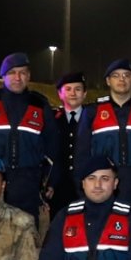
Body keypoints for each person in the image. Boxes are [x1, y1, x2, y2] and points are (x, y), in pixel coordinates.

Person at [0, 52, 59, 223]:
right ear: (3, 76)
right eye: (12, 73)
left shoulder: (39, 104)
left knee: (26, 235)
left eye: (22, 72)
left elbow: (52, 145)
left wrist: (50, 180)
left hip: (28, 182)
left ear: (28, 76)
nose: (18, 77)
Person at [77, 59, 131, 209]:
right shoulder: (92, 112)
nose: (122, 79)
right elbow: (82, 152)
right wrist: (82, 187)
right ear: (108, 81)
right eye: (116, 76)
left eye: (126, 75)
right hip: (103, 183)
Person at [49, 71, 87, 213]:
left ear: (84, 94)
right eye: (68, 89)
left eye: (78, 89)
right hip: (58, 186)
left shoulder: (92, 119)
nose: (73, 93)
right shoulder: (53, 120)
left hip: (85, 185)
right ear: (60, 94)